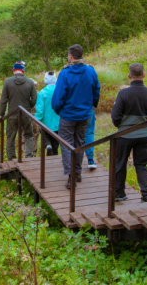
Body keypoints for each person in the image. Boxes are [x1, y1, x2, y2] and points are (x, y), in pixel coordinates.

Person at [52, 44, 101, 189]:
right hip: (84, 114)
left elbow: (58, 96)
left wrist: (58, 110)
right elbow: (96, 90)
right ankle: (78, 172)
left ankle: (70, 174)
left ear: (70, 56)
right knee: (79, 142)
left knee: (66, 144)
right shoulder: (90, 71)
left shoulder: (65, 73)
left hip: (68, 115)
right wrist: (92, 106)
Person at [111, 63, 147, 203]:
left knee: (120, 163)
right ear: (144, 75)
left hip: (125, 135)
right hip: (143, 135)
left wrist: (121, 125)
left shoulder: (123, 94)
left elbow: (115, 116)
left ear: (129, 75)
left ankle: (119, 193)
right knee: (141, 165)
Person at [0, 62, 38, 160]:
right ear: (23, 71)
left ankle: (12, 159)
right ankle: (28, 156)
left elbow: (3, 100)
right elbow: (34, 98)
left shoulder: (7, 82)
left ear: (13, 70)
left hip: (12, 114)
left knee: (11, 137)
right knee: (29, 135)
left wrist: (1, 114)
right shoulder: (30, 82)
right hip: (25, 113)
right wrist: (28, 107)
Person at [35, 71, 60, 155]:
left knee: (45, 135)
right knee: (56, 139)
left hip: (45, 121)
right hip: (58, 119)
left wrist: (37, 119)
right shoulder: (60, 91)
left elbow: (40, 109)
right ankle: (55, 152)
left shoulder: (42, 93)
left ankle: (48, 145)